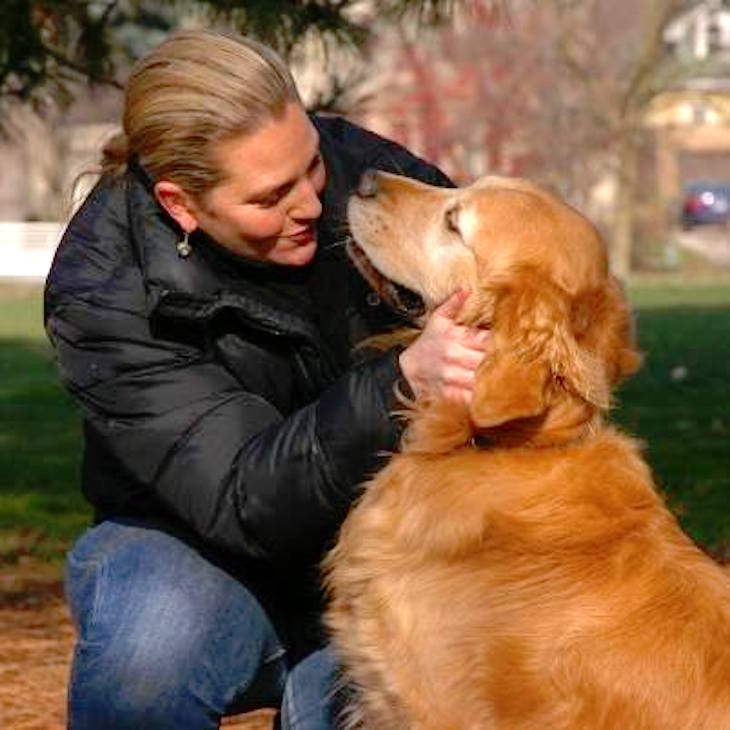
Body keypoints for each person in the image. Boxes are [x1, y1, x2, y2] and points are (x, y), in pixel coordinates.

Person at [45, 29, 489, 730]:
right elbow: (243, 496)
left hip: (391, 549)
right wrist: (400, 380)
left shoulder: (374, 180)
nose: (312, 204)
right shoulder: (103, 291)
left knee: (348, 706)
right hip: (195, 547)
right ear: (181, 205)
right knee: (149, 654)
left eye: (310, 163)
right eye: (270, 196)